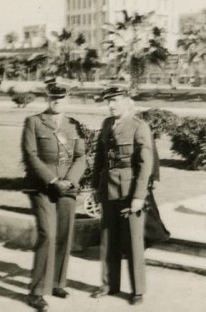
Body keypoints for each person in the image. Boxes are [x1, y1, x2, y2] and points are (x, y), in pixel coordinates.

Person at [21, 83, 86, 310]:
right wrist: (52, 181)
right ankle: (36, 291)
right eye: (53, 98)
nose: (57, 102)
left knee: (64, 234)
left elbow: (81, 157)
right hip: (42, 188)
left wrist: (70, 180)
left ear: (69, 100)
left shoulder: (74, 125)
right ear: (47, 99)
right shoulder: (34, 122)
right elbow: (30, 155)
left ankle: (57, 282)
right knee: (47, 235)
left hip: (67, 186)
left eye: (62, 99)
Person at [90, 86, 153, 305]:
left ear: (128, 101)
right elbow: (100, 159)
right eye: (108, 101)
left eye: (115, 100)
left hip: (129, 192)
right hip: (108, 189)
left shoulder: (139, 126)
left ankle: (137, 290)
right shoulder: (107, 124)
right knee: (108, 238)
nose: (111, 105)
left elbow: (146, 165)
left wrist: (138, 196)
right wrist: (95, 188)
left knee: (133, 242)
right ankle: (109, 284)